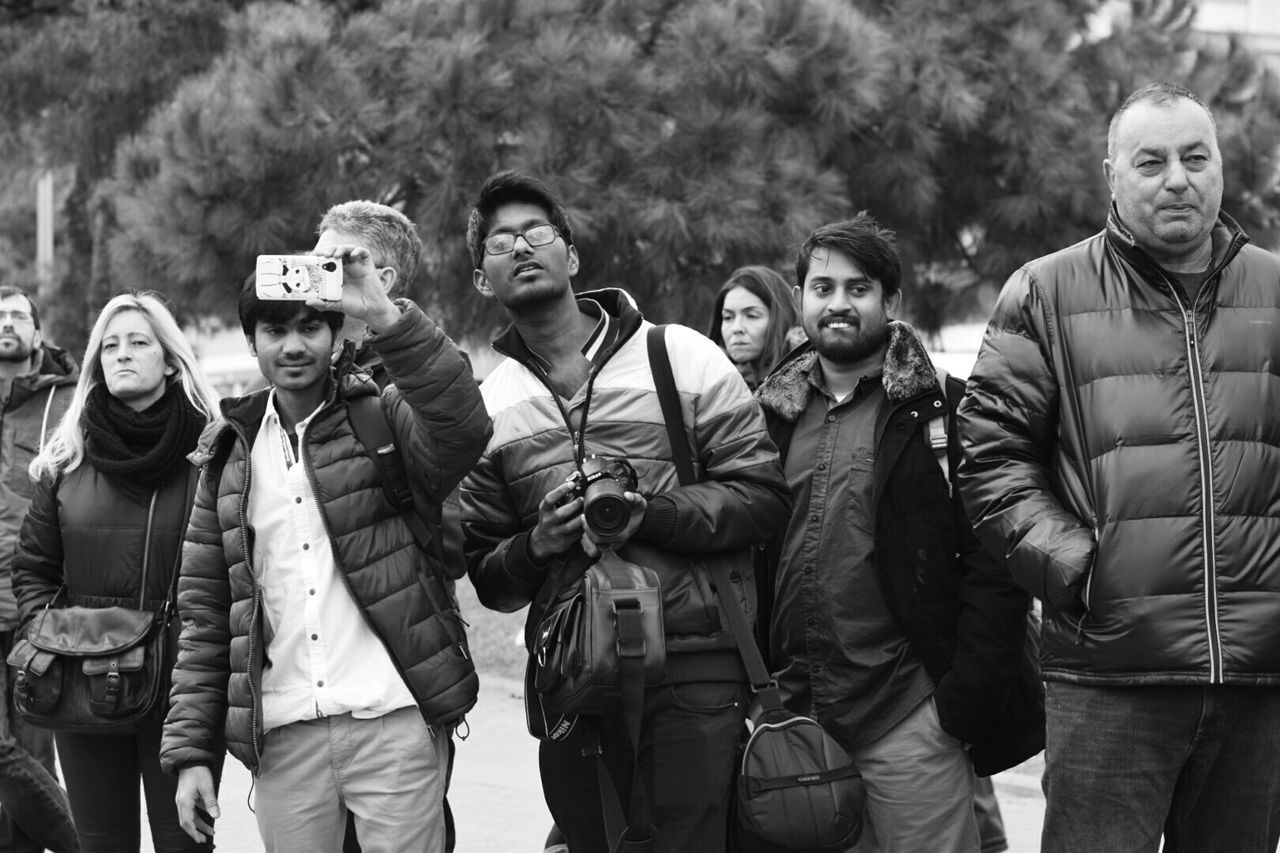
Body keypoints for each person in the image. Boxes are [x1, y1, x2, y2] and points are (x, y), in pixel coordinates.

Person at [956, 80, 1280, 852]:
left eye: (1195, 157)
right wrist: (1081, 570)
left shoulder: (1276, 290)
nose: (1177, 178)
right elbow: (989, 458)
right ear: (1112, 174)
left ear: (1221, 169)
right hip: (1108, 676)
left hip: (1261, 678)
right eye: (1152, 160)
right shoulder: (1045, 290)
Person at [460, 170, 790, 853]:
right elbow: (489, 576)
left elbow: (764, 497)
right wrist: (540, 542)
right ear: (481, 279)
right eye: (500, 241)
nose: (521, 246)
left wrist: (652, 514)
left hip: (696, 661)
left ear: (572, 255)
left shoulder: (682, 357)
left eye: (537, 232)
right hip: (574, 674)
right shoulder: (492, 405)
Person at [160, 244, 491, 853]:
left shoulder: (381, 417)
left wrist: (386, 314)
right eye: (275, 330)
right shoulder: (225, 458)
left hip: (392, 719)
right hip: (285, 739)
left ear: (337, 337)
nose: (293, 345)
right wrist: (191, 754)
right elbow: (207, 619)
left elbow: (464, 428)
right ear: (252, 341)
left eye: (310, 326)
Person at [753, 214, 1043, 853]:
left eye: (858, 289)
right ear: (799, 299)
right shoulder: (761, 421)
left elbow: (997, 569)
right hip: (790, 719)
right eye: (822, 288)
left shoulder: (950, 412)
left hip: (910, 717)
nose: (838, 304)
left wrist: (956, 711)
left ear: (891, 302)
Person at [11, 292, 222, 852]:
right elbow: (32, 569)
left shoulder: (213, 453)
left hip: (182, 689)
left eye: (138, 342)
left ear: (171, 359)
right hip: (83, 682)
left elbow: (232, 573)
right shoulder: (64, 459)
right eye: (109, 345)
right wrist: (57, 640)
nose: (121, 354)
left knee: (185, 844)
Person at [310, 199, 463, 853]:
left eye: (332, 261)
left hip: (399, 673)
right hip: (309, 682)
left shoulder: (422, 374)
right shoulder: (296, 369)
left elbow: (454, 515)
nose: (314, 274)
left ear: (381, 275)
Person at [0, 286, 81, 853]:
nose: (6, 323)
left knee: (31, 756)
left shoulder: (69, 399)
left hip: (36, 602)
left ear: (36, 328)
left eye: (17, 315)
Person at [706, 265, 803, 390]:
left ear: (781, 318)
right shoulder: (704, 383)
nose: (737, 328)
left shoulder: (813, 375)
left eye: (751, 316)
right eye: (728, 318)